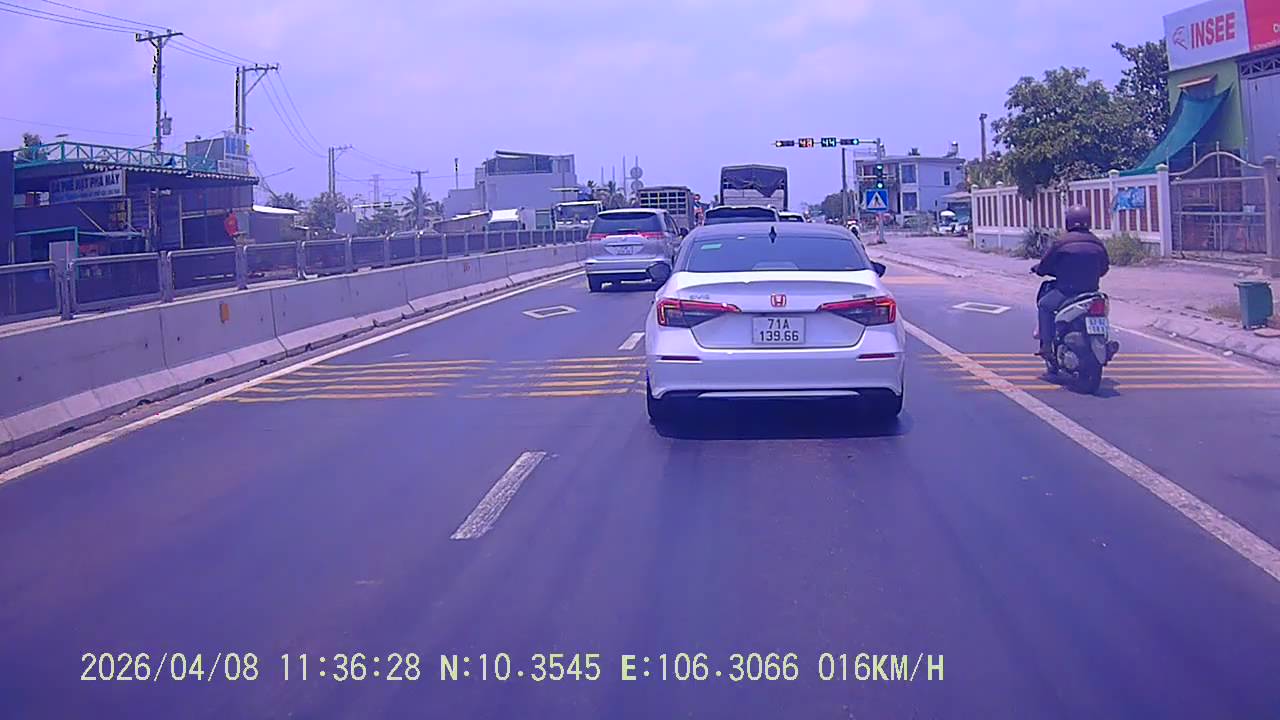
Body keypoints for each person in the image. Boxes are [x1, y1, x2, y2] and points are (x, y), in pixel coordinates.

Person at [1032, 205, 1110, 358]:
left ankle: (1046, 345)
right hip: (1091, 292)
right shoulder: (1097, 243)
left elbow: (1045, 266)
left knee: (1044, 305)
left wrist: (1038, 269)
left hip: (1066, 291)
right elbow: (1104, 268)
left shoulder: (1062, 242)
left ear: (1068, 221)